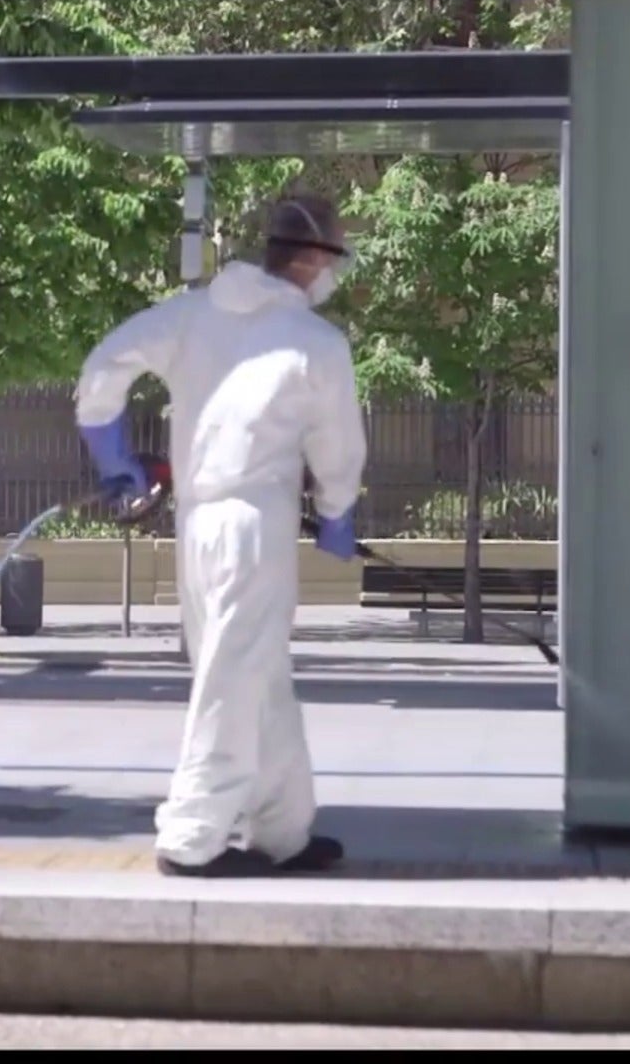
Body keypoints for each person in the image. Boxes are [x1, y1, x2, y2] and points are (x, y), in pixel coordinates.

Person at [73, 193, 368, 878]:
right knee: (234, 677)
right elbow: (338, 445)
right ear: (313, 259)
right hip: (254, 526)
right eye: (335, 260)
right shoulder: (318, 345)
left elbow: (103, 368)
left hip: (197, 520)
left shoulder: (190, 314)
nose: (334, 277)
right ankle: (192, 835)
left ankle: (284, 828)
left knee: (257, 674)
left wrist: (117, 463)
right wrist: (336, 512)